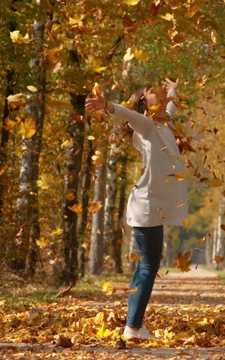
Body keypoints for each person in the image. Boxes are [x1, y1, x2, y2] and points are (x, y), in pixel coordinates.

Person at [85, 78, 189, 340]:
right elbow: (127, 113)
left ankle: (133, 325)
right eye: (155, 93)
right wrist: (107, 105)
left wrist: (174, 88)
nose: (161, 94)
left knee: (146, 266)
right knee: (148, 267)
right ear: (145, 102)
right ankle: (133, 327)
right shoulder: (146, 124)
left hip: (155, 207)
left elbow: (172, 106)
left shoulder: (164, 123)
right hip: (146, 205)